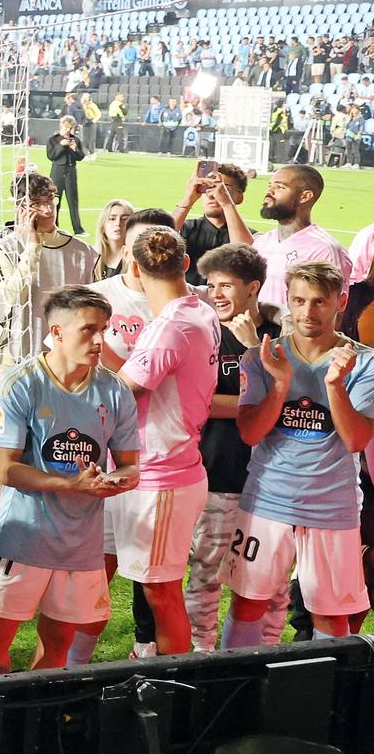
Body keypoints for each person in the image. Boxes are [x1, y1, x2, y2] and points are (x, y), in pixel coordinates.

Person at [0, 288, 142, 675]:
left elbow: (131, 466)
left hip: (81, 547)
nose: (101, 340)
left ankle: (37, 722)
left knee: (58, 646)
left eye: (105, 329)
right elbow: (7, 470)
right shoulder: (21, 384)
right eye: (89, 330)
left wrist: (113, 481)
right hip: (23, 538)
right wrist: (71, 485)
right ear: (58, 331)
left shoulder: (114, 390)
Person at [227, 262, 374, 644]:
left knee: (331, 615)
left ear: (341, 301)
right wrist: (280, 384)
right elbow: (250, 432)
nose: (308, 312)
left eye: (320, 302)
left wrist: (335, 386)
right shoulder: (261, 357)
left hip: (332, 508)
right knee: (247, 605)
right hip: (267, 501)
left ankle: (326, 702)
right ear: (287, 300)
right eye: (299, 300)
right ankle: (235, 698)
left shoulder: (365, 363)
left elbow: (356, 440)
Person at [111, 227, 219, 656]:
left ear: (133, 268)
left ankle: (176, 690)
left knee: (162, 594)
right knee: (156, 589)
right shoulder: (201, 311)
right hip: (173, 467)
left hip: (163, 477)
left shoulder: (168, 328)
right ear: (186, 264)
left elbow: (123, 393)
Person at [186, 245, 287, 649]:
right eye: (211, 285)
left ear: (253, 288)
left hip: (272, 485)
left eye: (226, 285)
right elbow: (198, 401)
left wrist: (268, 401)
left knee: (273, 581)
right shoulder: (203, 333)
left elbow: (294, 402)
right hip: (217, 474)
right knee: (207, 572)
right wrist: (265, 403)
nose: (216, 294)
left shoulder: (281, 335)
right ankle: (202, 655)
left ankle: (266, 655)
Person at [0, 172, 98, 375]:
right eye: (37, 203)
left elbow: (93, 311)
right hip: (15, 360)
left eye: (50, 200)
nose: (47, 210)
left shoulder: (83, 252)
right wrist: (33, 246)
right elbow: (14, 298)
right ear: (20, 208)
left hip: (66, 362)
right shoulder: (4, 248)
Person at [239, 164, 351, 309]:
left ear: (305, 196)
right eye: (270, 185)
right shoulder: (262, 243)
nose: (269, 192)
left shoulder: (324, 249)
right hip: (257, 331)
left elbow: (335, 311)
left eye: (279, 187)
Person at [175, 164, 253, 285]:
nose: (212, 194)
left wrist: (227, 204)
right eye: (207, 188)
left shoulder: (252, 236)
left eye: (224, 189)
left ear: (239, 197)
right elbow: (155, 240)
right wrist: (187, 199)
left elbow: (248, 256)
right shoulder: (186, 228)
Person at [45, 117, 87, 235]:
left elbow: (81, 157)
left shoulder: (76, 140)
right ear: (61, 126)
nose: (67, 130)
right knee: (55, 200)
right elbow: (51, 156)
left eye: (70, 128)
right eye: (65, 127)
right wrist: (61, 145)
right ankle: (54, 226)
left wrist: (74, 149)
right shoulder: (53, 140)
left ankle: (78, 229)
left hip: (71, 171)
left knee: (73, 201)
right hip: (57, 171)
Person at [92, 199, 135, 280]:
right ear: (103, 226)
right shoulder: (91, 256)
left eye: (125, 219)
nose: (118, 223)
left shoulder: (137, 259)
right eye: (112, 219)